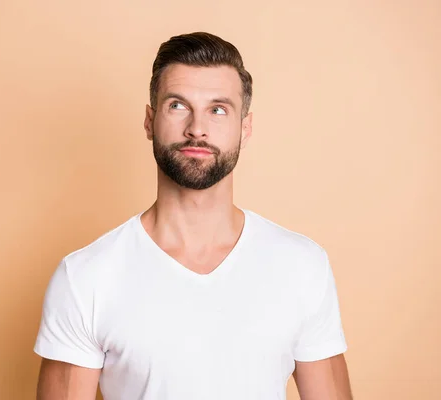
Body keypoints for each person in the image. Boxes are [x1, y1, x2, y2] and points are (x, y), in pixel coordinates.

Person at [34, 32, 352, 400]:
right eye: (178, 106)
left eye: (218, 109)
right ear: (150, 121)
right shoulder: (85, 277)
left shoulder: (302, 265)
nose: (197, 128)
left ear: (244, 129)